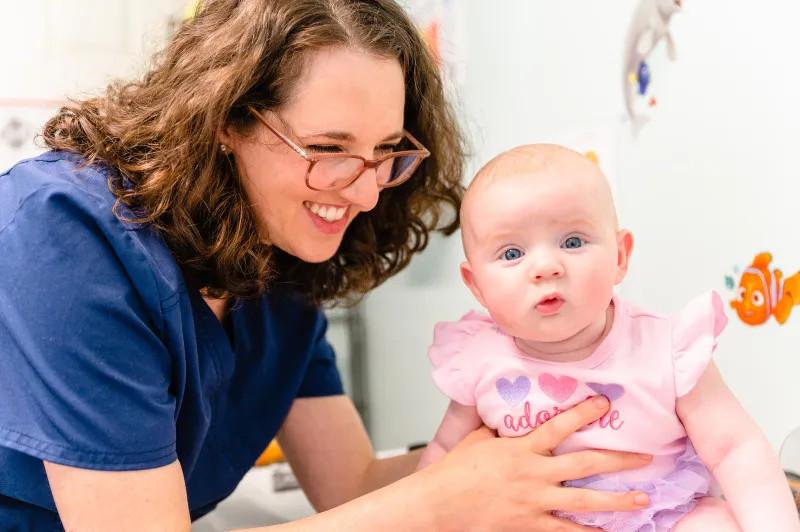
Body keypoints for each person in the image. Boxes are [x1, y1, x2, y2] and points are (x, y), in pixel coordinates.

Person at [0, 2, 657, 530]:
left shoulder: (273, 263)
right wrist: (444, 500)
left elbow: (353, 485)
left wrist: (547, 445)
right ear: (225, 118)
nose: (367, 193)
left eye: (386, 151)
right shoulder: (64, 235)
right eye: (327, 148)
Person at [418, 144, 800, 531]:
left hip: (665, 514)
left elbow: (735, 448)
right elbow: (444, 460)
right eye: (512, 252)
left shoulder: (668, 348)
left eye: (572, 242)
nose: (546, 267)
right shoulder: (476, 358)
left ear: (620, 256)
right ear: (476, 285)